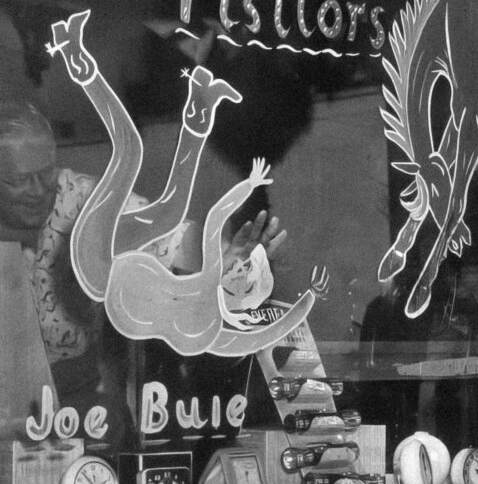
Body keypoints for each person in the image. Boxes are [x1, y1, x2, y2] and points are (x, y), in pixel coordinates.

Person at [0, 99, 286, 450]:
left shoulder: (88, 203)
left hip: (88, 422)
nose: (37, 189)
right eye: (18, 181)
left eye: (45, 173)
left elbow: (173, 237)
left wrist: (230, 258)